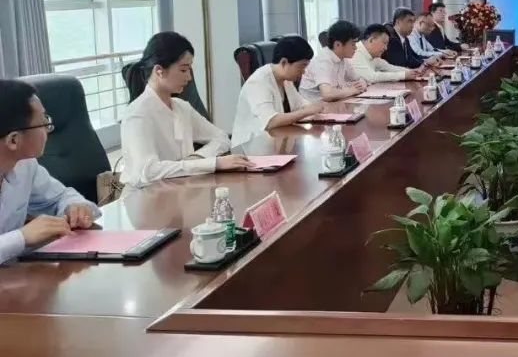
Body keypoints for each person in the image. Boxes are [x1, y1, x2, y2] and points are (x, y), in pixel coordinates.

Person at [120, 32, 250, 190]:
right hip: (145, 196)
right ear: (159, 71)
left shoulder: (181, 107)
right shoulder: (137, 114)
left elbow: (222, 138)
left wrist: (196, 158)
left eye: (189, 70)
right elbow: (148, 172)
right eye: (183, 70)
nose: (189, 77)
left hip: (181, 189)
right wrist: (211, 163)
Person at [0, 79, 99, 264]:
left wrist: (75, 207)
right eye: (43, 122)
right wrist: (22, 237)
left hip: (15, 275)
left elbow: (60, 197)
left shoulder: (25, 165)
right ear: (13, 140)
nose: (48, 128)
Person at [232, 36, 326, 147]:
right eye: (302, 66)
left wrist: (315, 109)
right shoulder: (258, 82)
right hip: (251, 147)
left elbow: (301, 104)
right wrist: (307, 113)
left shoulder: (286, 80)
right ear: (284, 62)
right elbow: (270, 121)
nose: (304, 72)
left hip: (277, 141)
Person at [299, 20, 369, 102]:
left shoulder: (343, 59)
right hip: (313, 105)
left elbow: (359, 79)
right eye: (353, 44)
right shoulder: (323, 60)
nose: (356, 48)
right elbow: (327, 95)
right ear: (337, 44)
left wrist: (361, 84)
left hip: (332, 104)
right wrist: (352, 90)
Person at [353, 24, 424, 84]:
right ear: (371, 40)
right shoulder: (355, 51)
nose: (386, 48)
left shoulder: (372, 55)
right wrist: (403, 75)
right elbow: (372, 77)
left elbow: (388, 67)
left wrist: (411, 72)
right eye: (384, 43)